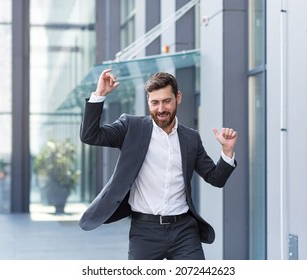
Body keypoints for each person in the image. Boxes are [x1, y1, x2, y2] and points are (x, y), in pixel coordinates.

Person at [79, 68, 237, 260]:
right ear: (148, 102)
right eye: (155, 102)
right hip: (144, 232)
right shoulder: (131, 128)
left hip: (184, 232)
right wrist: (99, 95)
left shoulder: (191, 138)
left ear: (178, 97)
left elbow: (215, 178)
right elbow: (90, 135)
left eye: (166, 101)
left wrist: (227, 152)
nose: (160, 109)